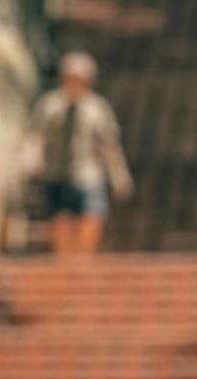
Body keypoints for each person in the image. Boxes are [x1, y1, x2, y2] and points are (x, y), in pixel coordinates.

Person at [24, 49, 134, 257]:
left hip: (89, 174)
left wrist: (119, 174)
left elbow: (109, 143)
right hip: (57, 172)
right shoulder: (50, 105)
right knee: (59, 219)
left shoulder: (97, 108)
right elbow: (37, 136)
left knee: (93, 217)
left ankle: (84, 259)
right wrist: (30, 159)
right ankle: (65, 263)